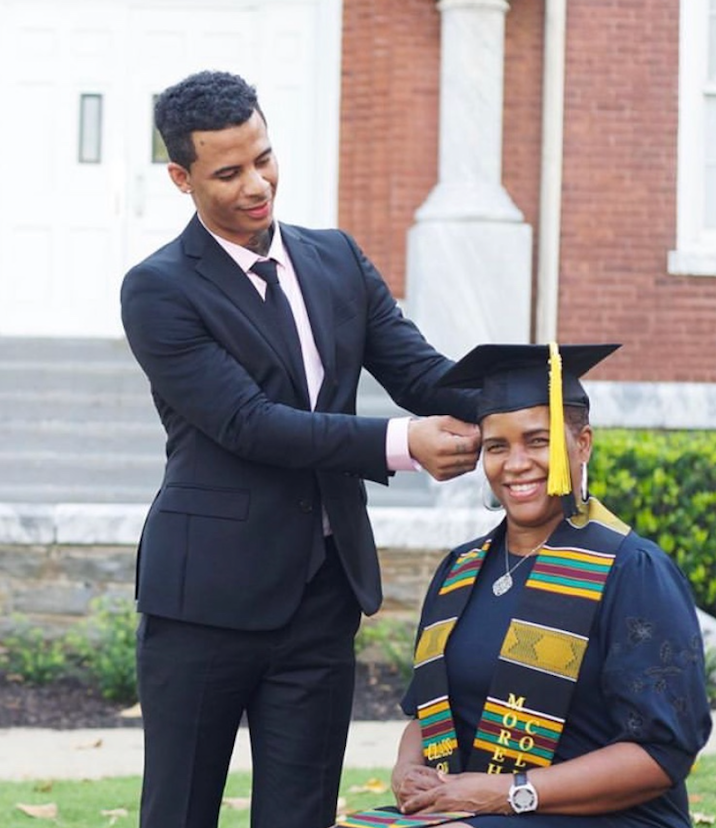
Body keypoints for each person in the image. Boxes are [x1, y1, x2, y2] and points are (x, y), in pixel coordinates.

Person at [120, 69, 484, 828]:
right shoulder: (157, 290)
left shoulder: (337, 259)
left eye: (265, 157)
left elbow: (419, 371)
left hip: (322, 594)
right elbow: (252, 424)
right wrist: (402, 444)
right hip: (203, 604)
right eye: (229, 172)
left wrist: (530, 394)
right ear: (181, 178)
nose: (257, 184)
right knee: (180, 812)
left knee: (301, 815)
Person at [357, 342, 712, 828]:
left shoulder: (632, 571)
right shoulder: (460, 570)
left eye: (538, 441)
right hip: (473, 809)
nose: (516, 463)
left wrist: (511, 793)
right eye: (497, 446)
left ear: (582, 443)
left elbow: (661, 753)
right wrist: (406, 772)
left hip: (604, 816)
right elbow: (426, 713)